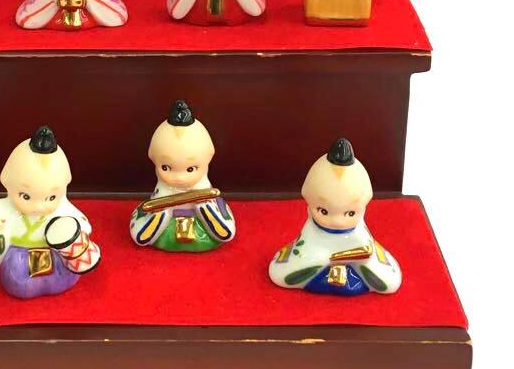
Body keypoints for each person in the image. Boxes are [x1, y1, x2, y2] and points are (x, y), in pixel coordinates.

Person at [0, 126, 100, 299]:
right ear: (7, 182)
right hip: (20, 254)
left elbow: (78, 224)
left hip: (53, 253)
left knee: (62, 274)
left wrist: (81, 229)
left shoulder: (62, 209)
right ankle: (24, 285)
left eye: (51, 197)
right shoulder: (10, 208)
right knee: (18, 278)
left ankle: (56, 280)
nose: (38, 206)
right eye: (26, 196)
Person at [268, 138, 402, 296]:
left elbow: (381, 269)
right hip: (317, 275)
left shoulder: (359, 233)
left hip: (354, 274)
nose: (337, 221)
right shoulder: (311, 231)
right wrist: (324, 258)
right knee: (280, 274)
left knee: (388, 282)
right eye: (323, 211)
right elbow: (290, 263)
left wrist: (363, 258)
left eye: (350, 213)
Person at [129, 100, 235, 252]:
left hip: (201, 223)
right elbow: (140, 235)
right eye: (166, 168)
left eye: (190, 169)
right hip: (166, 225)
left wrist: (204, 207)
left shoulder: (208, 192)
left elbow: (226, 232)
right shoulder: (160, 194)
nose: (179, 178)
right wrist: (162, 211)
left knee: (210, 234)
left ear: (207, 160)